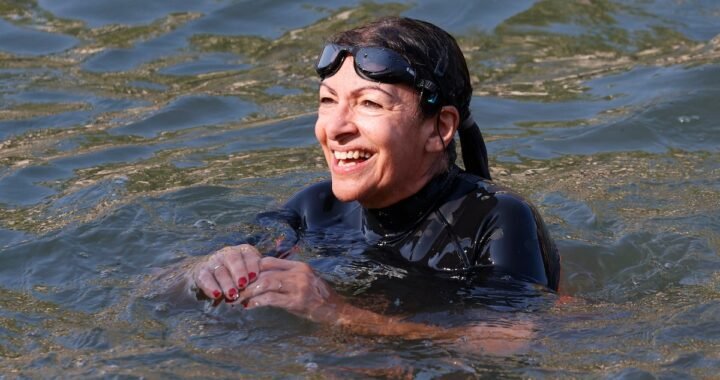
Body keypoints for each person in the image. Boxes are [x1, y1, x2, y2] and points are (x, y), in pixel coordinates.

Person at [187, 17, 560, 350]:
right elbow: (161, 279)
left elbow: (510, 340)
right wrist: (211, 266)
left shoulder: (493, 218)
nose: (335, 127)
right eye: (328, 101)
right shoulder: (315, 208)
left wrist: (334, 312)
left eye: (369, 104)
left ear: (439, 128)